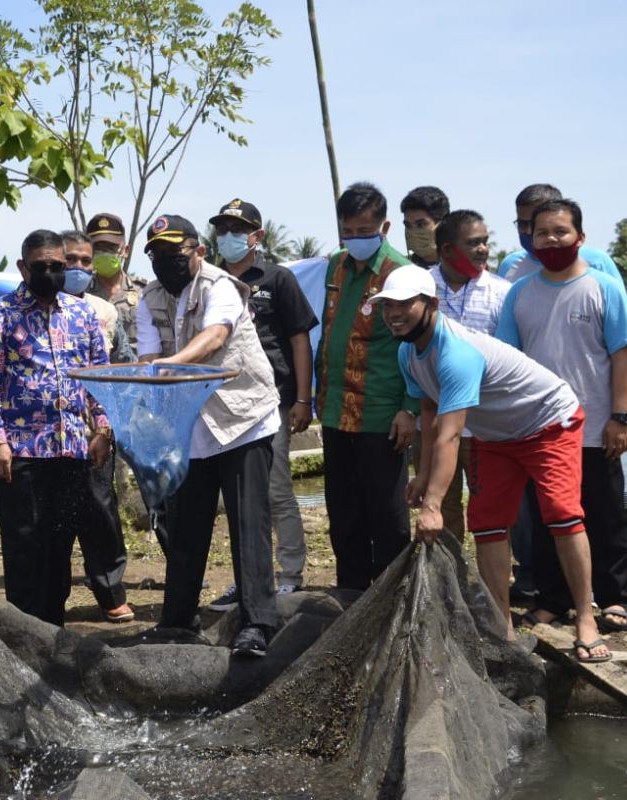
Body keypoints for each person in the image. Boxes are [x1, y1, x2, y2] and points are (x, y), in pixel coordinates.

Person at [377, 264, 611, 663]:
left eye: (404, 304)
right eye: (387, 306)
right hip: (498, 434)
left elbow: (452, 433)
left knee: (561, 513)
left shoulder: (457, 353)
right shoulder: (407, 354)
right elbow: (430, 416)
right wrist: (423, 476)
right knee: (487, 523)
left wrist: (433, 506)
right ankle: (501, 627)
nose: (394, 313)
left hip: (548, 420)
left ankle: (586, 619)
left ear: (430, 304)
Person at [135, 213, 280, 657]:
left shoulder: (221, 288)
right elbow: (148, 355)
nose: (165, 261)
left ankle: (258, 623)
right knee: (186, 526)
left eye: (174, 252)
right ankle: (178, 619)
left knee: (246, 522)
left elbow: (215, 337)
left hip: (242, 420)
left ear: (198, 251)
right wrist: (150, 372)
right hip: (191, 425)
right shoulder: (150, 299)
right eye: (157, 254)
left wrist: (166, 366)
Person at [497, 199, 627, 636]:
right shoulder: (520, 293)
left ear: (579, 237)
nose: (551, 240)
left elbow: (623, 355)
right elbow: (509, 359)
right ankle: (554, 600)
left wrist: (621, 417)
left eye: (560, 231)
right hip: (540, 428)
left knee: (604, 514)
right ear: (531, 240)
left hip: (596, 426)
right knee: (548, 519)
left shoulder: (603, 287)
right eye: (542, 233)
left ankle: (615, 597)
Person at [0, 229, 112, 627]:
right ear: (23, 267)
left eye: (57, 266)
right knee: (24, 542)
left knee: (60, 542)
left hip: (72, 450)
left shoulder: (82, 314)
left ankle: (53, 627)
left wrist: (102, 429)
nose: (50, 272)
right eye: (41, 267)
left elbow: (99, 377)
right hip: (22, 452)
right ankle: (25, 630)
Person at [204, 198, 317, 610]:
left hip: (273, 402)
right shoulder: (210, 281)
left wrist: (303, 399)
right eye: (222, 229)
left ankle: (289, 574)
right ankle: (248, 579)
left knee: (276, 489)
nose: (228, 236)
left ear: (257, 236)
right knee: (239, 498)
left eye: (237, 229)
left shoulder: (277, 278)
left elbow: (299, 339)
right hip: (221, 404)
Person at [314, 182, 417, 601]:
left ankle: (393, 597)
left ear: (384, 226)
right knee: (344, 512)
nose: (356, 239)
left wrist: (410, 408)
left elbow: (417, 341)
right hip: (336, 410)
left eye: (364, 230)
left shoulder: (401, 273)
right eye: (348, 231)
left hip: (381, 411)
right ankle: (351, 594)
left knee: (387, 515)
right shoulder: (335, 266)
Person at [420, 209, 511, 539]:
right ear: (446, 250)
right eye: (473, 243)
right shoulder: (421, 288)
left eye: (485, 242)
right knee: (442, 505)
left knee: (490, 503)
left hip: (485, 421)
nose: (483, 249)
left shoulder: (502, 293)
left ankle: (493, 584)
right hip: (432, 417)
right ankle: (450, 581)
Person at [61, 229, 134, 622]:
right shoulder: (28, 308)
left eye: (84, 262)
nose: (77, 268)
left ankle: (110, 591)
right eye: (69, 260)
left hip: (95, 431)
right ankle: (47, 593)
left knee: (100, 510)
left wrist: (108, 427)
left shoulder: (103, 311)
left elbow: (121, 365)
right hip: (46, 434)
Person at [501, 184, 623, 283]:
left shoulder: (596, 261)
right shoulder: (510, 264)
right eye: (522, 224)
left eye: (534, 224)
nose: (528, 231)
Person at [87, 212, 144, 353]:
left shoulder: (144, 292)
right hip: (94, 372)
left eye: (110, 247)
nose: (104, 253)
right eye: (98, 248)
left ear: (125, 251)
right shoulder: (80, 294)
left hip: (136, 371)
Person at [400, 186, 449, 268]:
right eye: (408, 225)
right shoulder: (399, 269)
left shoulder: (463, 270)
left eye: (420, 225)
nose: (413, 232)